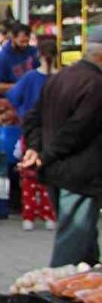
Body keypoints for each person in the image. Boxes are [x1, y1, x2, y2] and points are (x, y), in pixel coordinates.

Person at [21, 27, 102, 267]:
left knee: (84, 245)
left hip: (57, 171)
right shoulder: (96, 84)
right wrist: (44, 154)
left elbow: (32, 118)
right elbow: (78, 129)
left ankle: (87, 279)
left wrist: (35, 149)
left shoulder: (60, 78)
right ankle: (53, 288)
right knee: (71, 246)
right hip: (80, 175)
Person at [9, 39, 58, 231]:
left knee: (29, 175)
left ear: (39, 55)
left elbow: (13, 96)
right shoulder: (62, 78)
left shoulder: (30, 78)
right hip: (55, 132)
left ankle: (29, 215)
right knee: (51, 175)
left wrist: (23, 114)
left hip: (31, 132)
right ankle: (51, 214)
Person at [0, 23, 38, 97]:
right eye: (22, 41)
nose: (25, 45)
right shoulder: (2, 57)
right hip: (11, 99)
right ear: (13, 38)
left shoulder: (33, 52)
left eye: (27, 41)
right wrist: (21, 86)